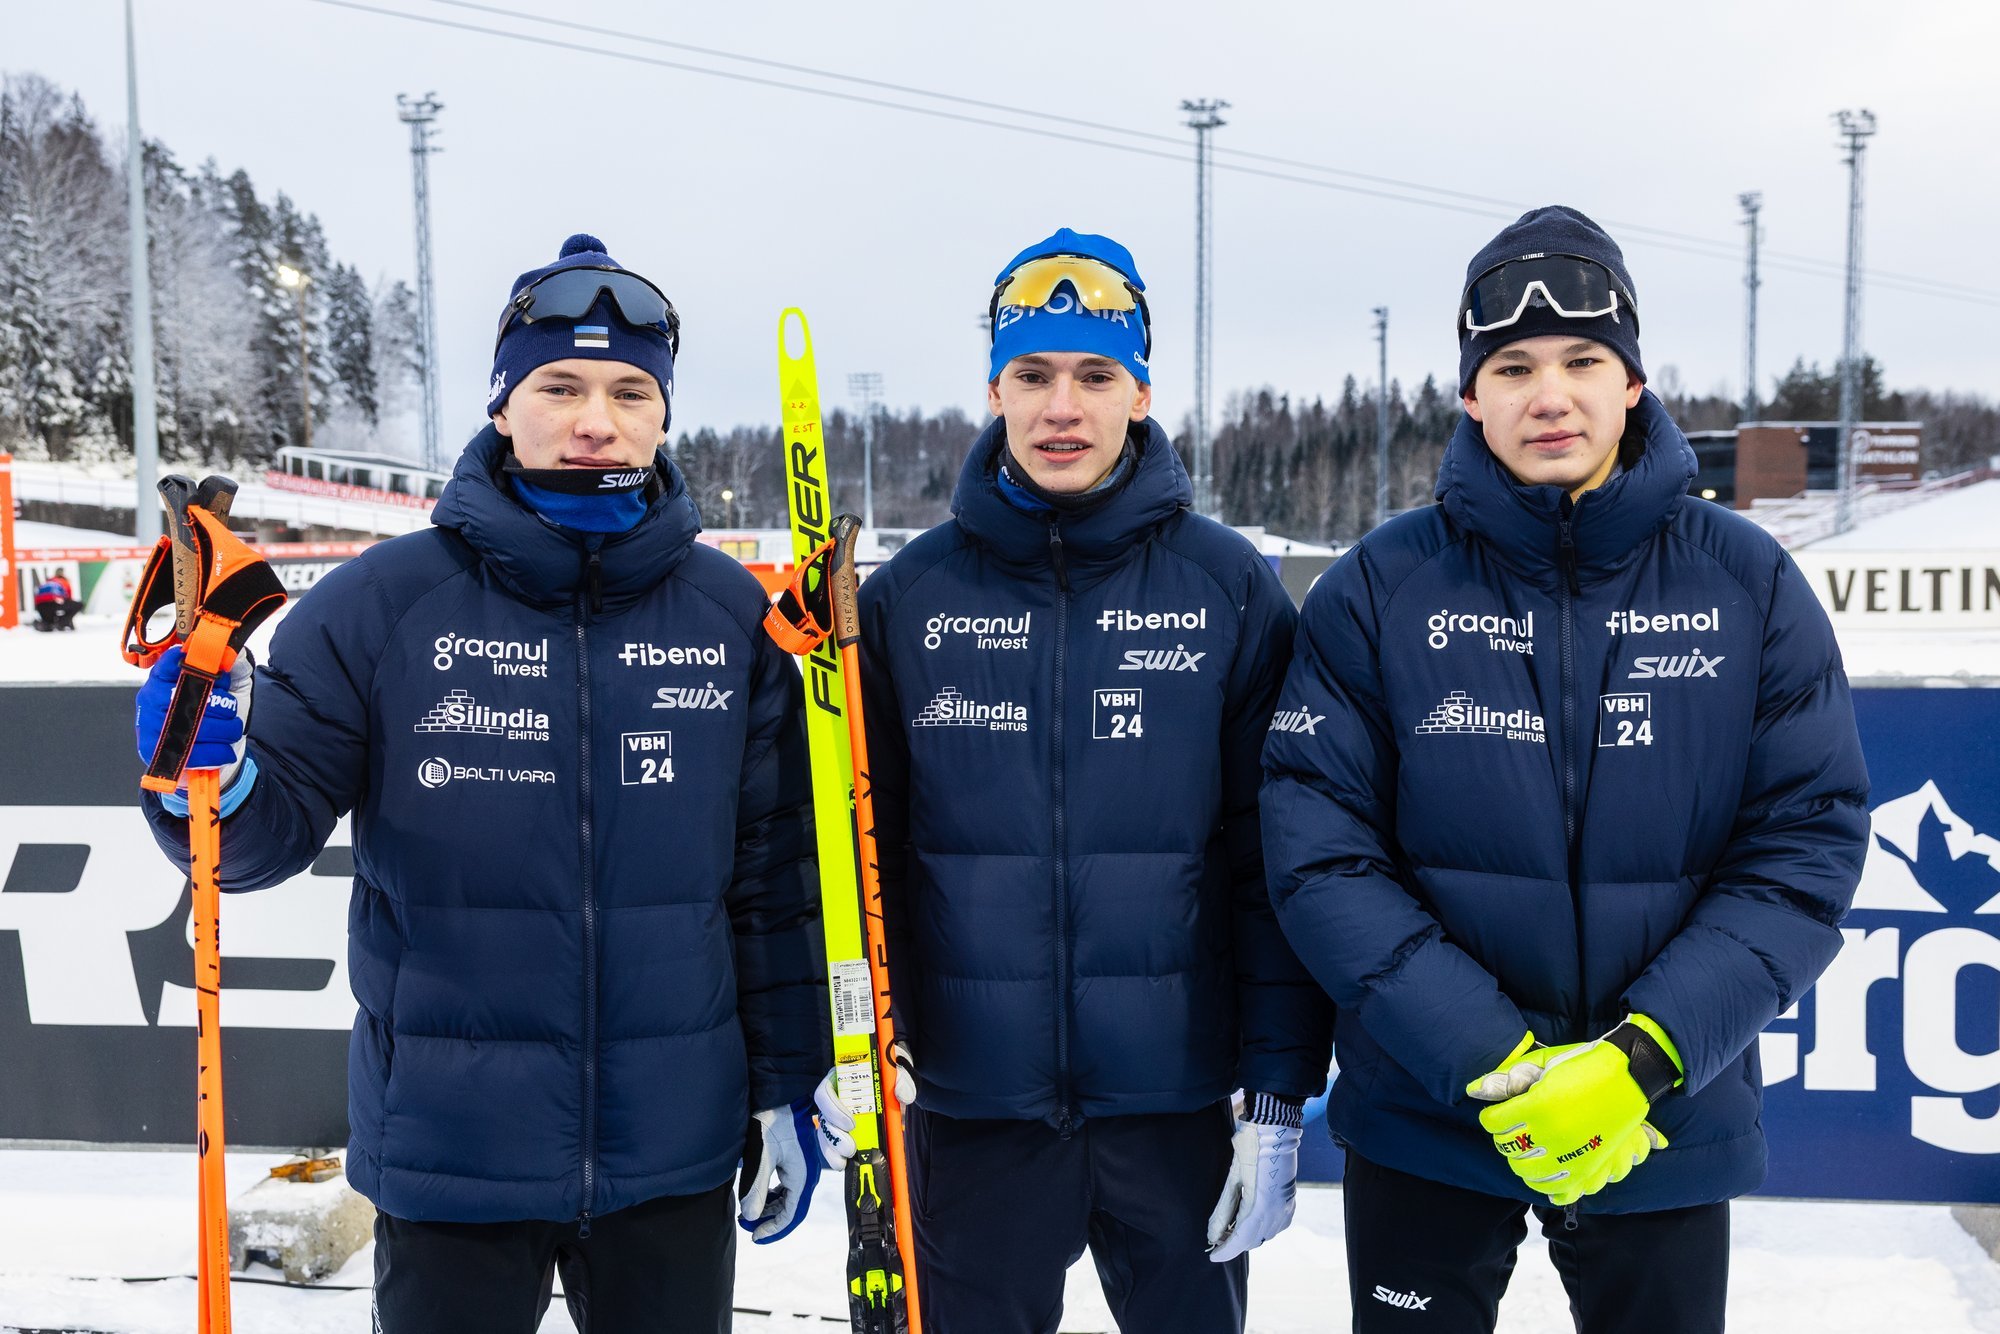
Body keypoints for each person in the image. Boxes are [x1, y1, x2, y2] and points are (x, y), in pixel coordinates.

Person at [135, 234, 828, 1334]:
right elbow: (252, 841)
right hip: (451, 1154)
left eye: (627, 390)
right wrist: (197, 767)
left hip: (670, 1150)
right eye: (558, 385)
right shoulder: (379, 606)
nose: (593, 416)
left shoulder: (727, 617)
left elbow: (769, 880)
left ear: (662, 417)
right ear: (504, 405)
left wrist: (785, 1079)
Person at [1260, 206, 1870, 1334]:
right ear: (1467, 395)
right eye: (1513, 365)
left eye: (1583, 361)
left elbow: (1804, 842)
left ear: (1631, 381)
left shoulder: (1745, 580)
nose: (1550, 394)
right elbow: (1319, 850)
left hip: (1660, 1120)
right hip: (1434, 1114)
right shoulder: (1380, 586)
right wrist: (1490, 1057)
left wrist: (1643, 1055)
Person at [811, 227, 1334, 1334]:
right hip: (971, 1113)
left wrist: (1276, 1093)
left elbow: (1272, 854)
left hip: (1175, 1109)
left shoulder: (1224, 586)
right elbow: (865, 843)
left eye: (1094, 376)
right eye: (1033, 374)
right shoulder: (911, 596)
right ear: (992, 389)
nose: (1062, 406)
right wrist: (846, 1043)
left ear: (1139, 393)